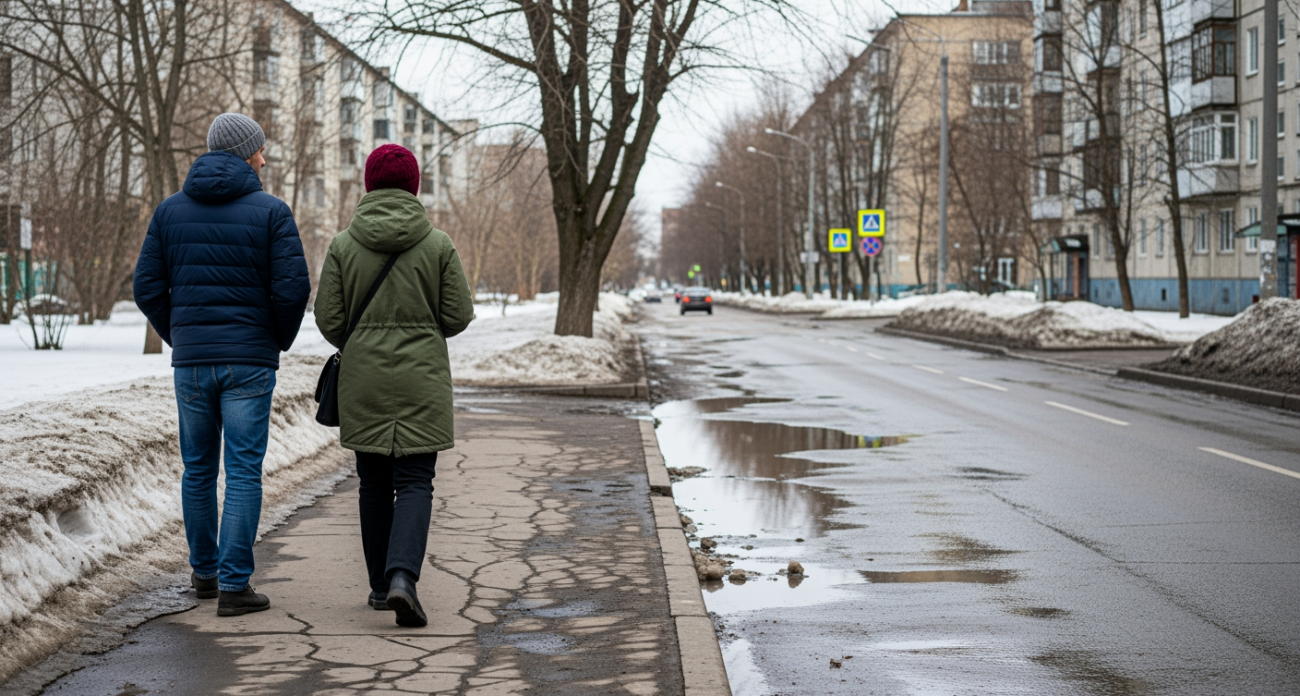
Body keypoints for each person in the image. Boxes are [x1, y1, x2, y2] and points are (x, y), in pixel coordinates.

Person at [134, 113, 311, 617]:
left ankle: (205, 575)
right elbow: (293, 286)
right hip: (249, 362)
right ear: (244, 153)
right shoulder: (272, 211)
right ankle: (235, 587)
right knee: (243, 470)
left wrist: (181, 336)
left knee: (198, 469)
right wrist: (273, 339)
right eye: (259, 150)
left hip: (192, 363)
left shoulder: (170, 211)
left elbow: (146, 286)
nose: (263, 157)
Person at [315, 144, 474, 627]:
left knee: (373, 485)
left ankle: (381, 588)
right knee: (415, 481)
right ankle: (404, 576)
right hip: (422, 381)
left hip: (363, 381)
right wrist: (422, 333)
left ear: (367, 185)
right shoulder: (438, 244)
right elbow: (459, 315)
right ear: (414, 187)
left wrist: (361, 340)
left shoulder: (344, 245)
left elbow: (328, 317)